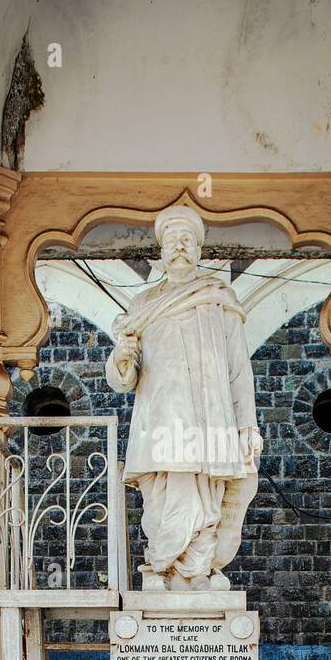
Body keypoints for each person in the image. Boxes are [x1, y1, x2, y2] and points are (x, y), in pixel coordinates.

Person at [105, 205, 262, 590]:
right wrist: (122, 357)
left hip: (210, 421)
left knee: (208, 499)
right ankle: (161, 569)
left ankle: (199, 573)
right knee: (162, 498)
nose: (180, 247)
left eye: (188, 240)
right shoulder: (141, 308)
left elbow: (239, 370)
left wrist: (247, 426)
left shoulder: (218, 298)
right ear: (161, 252)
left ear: (197, 251)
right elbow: (123, 378)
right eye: (173, 240)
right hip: (161, 422)